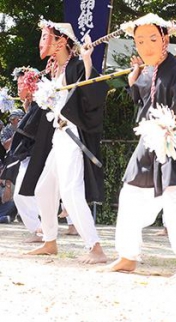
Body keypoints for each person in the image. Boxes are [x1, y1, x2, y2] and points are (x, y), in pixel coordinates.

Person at [104, 14, 176, 281]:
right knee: (129, 196)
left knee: (174, 203)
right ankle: (127, 255)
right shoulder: (145, 72)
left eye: (153, 39)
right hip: (148, 142)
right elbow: (143, 105)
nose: (146, 46)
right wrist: (134, 81)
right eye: (140, 40)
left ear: (165, 38)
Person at [22, 20, 108, 263]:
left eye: (46, 36)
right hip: (58, 137)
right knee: (43, 189)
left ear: (61, 41)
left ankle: (96, 248)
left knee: (71, 191)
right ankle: (50, 242)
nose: (42, 42)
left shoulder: (77, 66)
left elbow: (93, 92)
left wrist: (89, 59)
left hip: (72, 136)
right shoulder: (55, 71)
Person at [0, 67, 45, 243]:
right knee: (22, 196)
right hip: (28, 155)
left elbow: (31, 130)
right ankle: (39, 230)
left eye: (21, 84)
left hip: (39, 155)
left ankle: (44, 230)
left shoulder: (43, 103)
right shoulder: (33, 106)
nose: (18, 89)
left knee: (33, 194)